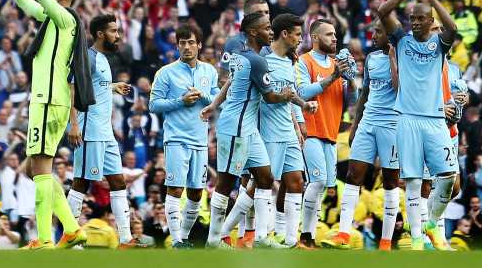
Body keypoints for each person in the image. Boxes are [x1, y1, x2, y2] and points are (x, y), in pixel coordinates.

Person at [0, 0, 93, 250]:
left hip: (49, 100)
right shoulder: (53, 20)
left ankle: (43, 238)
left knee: (39, 167)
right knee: (38, 167)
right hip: (49, 101)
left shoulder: (66, 19)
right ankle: (70, 228)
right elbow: (26, 1)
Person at [206, 13, 305, 249]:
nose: (270, 32)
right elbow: (271, 98)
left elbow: (229, 82)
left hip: (249, 129)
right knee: (225, 183)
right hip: (236, 128)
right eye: (266, 28)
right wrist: (289, 95)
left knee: (265, 177)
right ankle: (213, 240)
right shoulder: (257, 61)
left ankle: (261, 238)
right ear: (253, 33)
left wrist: (213, 105)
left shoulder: (244, 55)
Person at [377, 0, 458, 250]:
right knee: (412, 182)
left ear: (430, 21)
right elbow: (383, 10)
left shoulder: (439, 45)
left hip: (435, 120)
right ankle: (416, 240)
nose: (414, 22)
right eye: (412, 18)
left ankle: (432, 223)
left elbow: (454, 28)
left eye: (420, 18)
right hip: (407, 119)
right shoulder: (401, 40)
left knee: (448, 178)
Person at [322, 20, 400, 250]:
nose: (373, 35)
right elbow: (365, 92)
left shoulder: (404, 58)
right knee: (353, 175)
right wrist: (356, 125)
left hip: (392, 124)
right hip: (368, 122)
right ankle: (343, 234)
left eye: (378, 31)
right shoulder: (371, 59)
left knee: (391, 181)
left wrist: (394, 57)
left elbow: (399, 88)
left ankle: (385, 241)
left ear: (390, 34)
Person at [67, 14, 136, 247]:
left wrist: (113, 86)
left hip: (105, 131)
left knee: (118, 182)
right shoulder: (87, 56)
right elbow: (72, 86)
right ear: (99, 34)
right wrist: (74, 124)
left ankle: (126, 239)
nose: (117, 36)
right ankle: (71, 239)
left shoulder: (103, 59)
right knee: (81, 182)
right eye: (113, 31)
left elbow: (95, 84)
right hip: (89, 129)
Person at [149, 23, 216, 248]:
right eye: (182, 43)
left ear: (199, 44)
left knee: (197, 193)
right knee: (176, 189)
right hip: (176, 138)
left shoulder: (210, 71)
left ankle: (184, 237)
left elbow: (217, 99)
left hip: (200, 139)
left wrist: (203, 97)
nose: (186, 47)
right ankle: (176, 240)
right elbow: (154, 105)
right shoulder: (165, 72)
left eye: (190, 42)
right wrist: (181, 101)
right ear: (177, 45)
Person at [295, 19, 353, 249]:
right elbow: (301, 92)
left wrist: (351, 81)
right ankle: (304, 236)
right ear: (316, 38)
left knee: (324, 187)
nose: (335, 38)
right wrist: (333, 78)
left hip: (330, 133)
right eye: (329, 34)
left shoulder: (336, 64)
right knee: (316, 181)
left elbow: (352, 101)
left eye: (335, 34)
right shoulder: (304, 61)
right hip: (311, 130)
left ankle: (309, 237)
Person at [263, 14, 315, 247]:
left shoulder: (288, 62)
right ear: (284, 34)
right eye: (297, 34)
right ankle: (258, 236)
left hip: (288, 131)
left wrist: (299, 121)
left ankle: (291, 239)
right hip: (268, 133)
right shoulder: (263, 60)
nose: (300, 39)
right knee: (263, 184)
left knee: (296, 181)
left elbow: (290, 95)